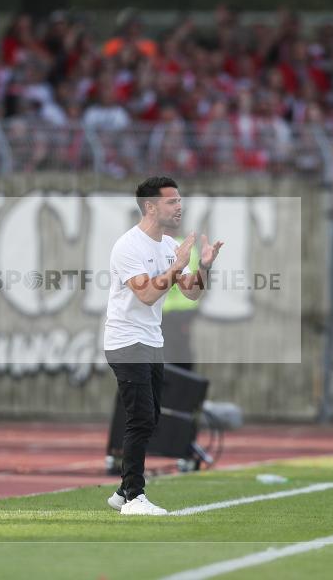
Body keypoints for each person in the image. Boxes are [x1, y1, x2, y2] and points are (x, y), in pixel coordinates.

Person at [104, 177, 222, 515]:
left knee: (152, 417)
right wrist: (174, 267)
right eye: (172, 202)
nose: (179, 207)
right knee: (139, 417)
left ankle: (123, 487)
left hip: (152, 340)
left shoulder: (169, 245)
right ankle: (134, 498)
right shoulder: (128, 246)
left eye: (179, 201)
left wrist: (203, 266)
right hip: (126, 340)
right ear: (151, 206)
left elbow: (190, 292)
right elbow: (146, 294)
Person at [161, 230, 200, 369]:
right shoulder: (190, 248)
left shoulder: (163, 248)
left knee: (171, 355)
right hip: (185, 311)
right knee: (180, 352)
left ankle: (181, 385)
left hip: (173, 311)